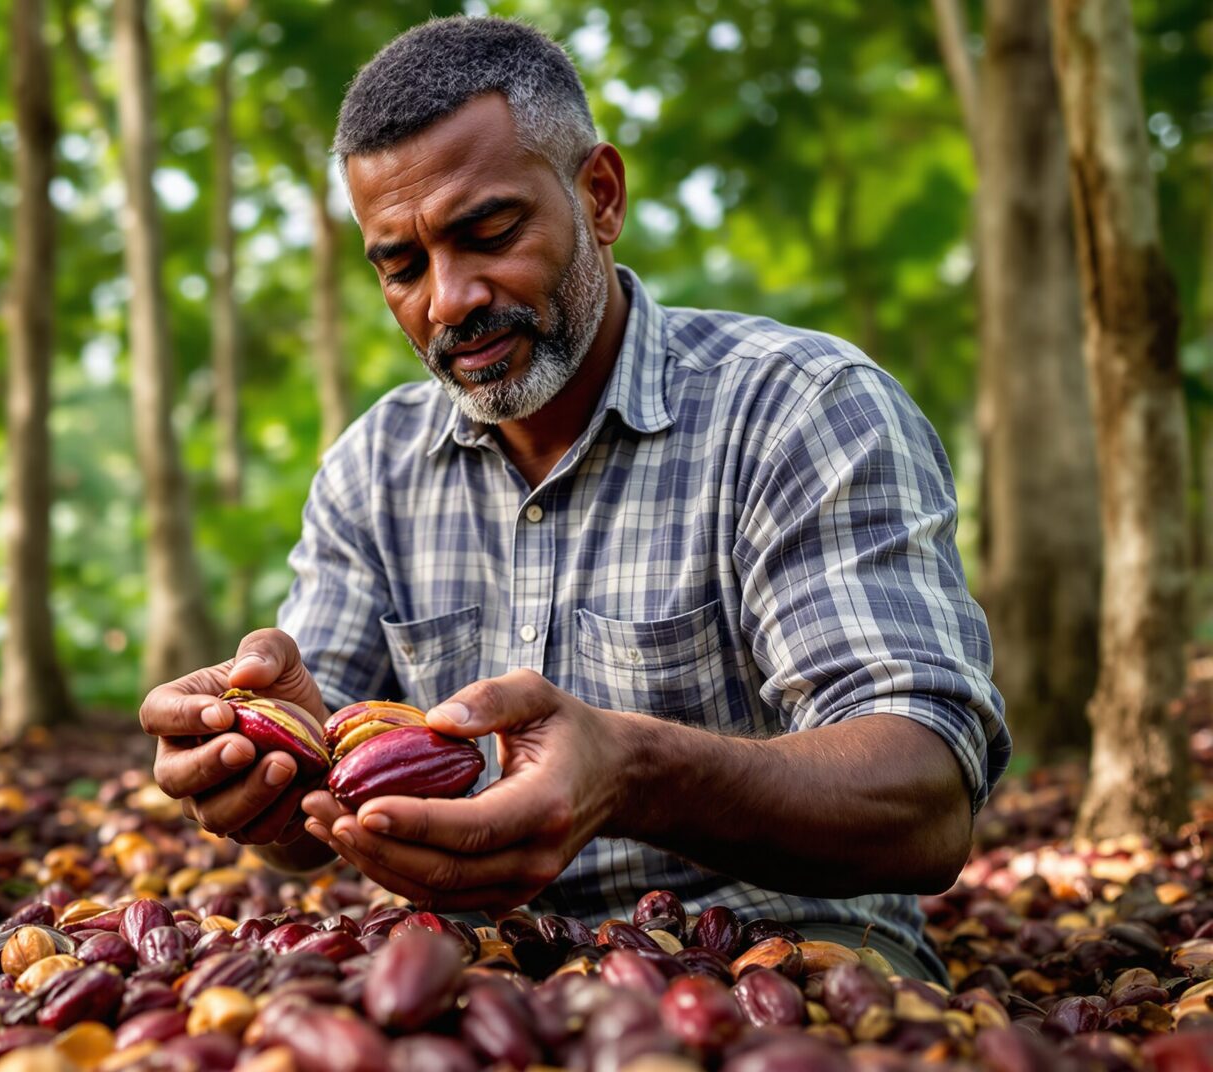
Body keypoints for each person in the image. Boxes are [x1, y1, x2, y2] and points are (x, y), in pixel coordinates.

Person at [136, 15, 1007, 983]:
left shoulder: (800, 413)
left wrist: (633, 771)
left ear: (599, 195)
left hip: (781, 966)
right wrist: (269, 760)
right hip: (474, 971)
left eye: (490, 232)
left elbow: (928, 797)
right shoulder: (369, 468)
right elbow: (316, 823)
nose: (449, 299)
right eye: (402, 265)